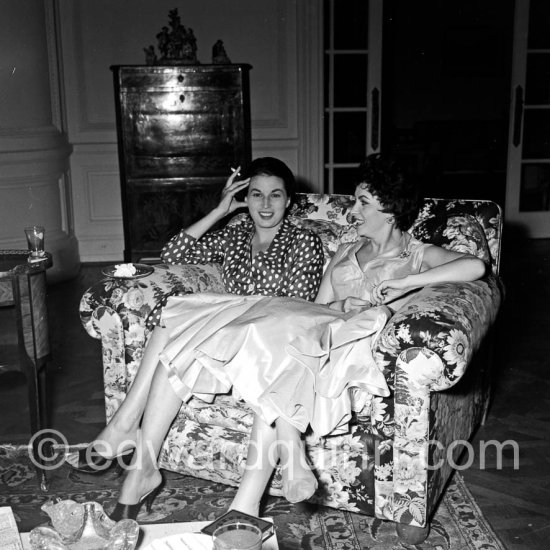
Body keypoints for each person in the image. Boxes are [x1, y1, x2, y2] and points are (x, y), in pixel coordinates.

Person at [88, 154, 487, 521]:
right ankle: (242, 485)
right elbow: (316, 306)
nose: (354, 210)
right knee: (215, 339)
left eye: (364, 202)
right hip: (313, 326)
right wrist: (335, 307)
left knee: (277, 346)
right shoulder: (347, 249)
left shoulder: (416, 254)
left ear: (390, 208)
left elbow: (474, 266)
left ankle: (257, 489)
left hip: (355, 339)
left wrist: (408, 284)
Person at [67, 156, 324, 479]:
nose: (266, 203)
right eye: (256, 194)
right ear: (246, 198)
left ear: (288, 201)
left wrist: (226, 314)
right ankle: (126, 427)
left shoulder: (304, 241)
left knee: (176, 320)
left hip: (267, 342)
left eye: (275, 194)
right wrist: (221, 210)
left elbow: (291, 307)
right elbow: (172, 254)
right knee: (171, 316)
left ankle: (124, 427)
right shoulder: (236, 235)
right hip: (227, 330)